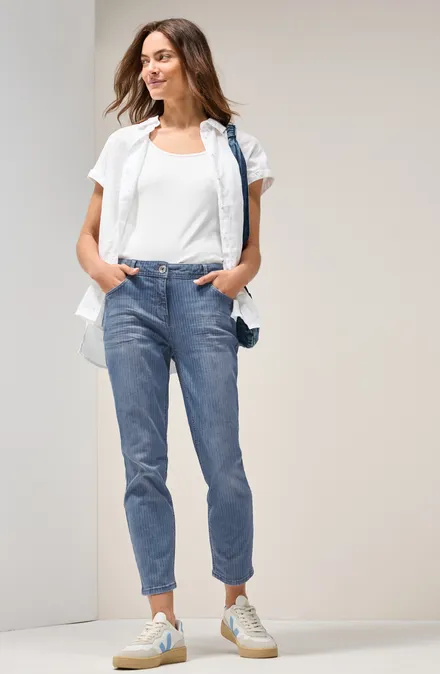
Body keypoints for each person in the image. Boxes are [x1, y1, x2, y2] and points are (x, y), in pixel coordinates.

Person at [75, 17, 277, 668]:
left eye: (162, 57)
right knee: (143, 465)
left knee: (224, 462)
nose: (150, 70)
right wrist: (104, 273)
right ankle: (162, 621)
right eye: (144, 61)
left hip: (202, 297)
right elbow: (87, 235)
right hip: (131, 298)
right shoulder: (125, 146)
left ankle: (236, 605)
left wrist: (234, 280)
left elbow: (252, 249)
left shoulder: (238, 147)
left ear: (193, 61)